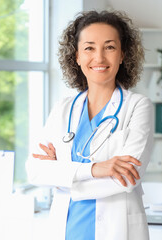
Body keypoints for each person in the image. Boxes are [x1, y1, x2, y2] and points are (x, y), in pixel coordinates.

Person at [26, 10, 153, 240]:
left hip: (116, 231)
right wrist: (95, 169)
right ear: (76, 56)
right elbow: (34, 171)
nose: (99, 58)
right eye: (89, 48)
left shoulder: (138, 107)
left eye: (110, 47)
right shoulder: (62, 109)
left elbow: (125, 180)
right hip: (66, 230)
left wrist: (62, 177)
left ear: (123, 55)